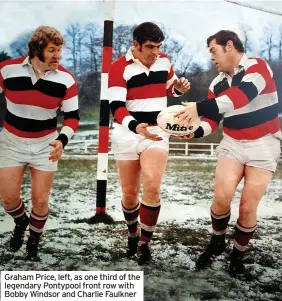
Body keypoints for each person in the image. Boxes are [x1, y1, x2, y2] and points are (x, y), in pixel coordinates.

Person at [175, 30, 282, 276]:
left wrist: (196, 107)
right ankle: (217, 241)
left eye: (214, 50)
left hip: (264, 144)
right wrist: (196, 132)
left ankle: (237, 255)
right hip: (232, 142)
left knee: (247, 207)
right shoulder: (216, 83)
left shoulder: (258, 67)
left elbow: (241, 97)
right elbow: (213, 119)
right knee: (221, 199)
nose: (211, 57)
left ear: (229, 45)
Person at [108, 22, 191, 265]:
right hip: (127, 133)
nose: (156, 52)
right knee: (130, 194)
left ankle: (145, 242)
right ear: (135, 45)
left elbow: (169, 90)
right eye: (150, 47)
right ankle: (132, 234)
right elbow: (116, 107)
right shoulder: (118, 67)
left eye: (159, 46)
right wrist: (136, 126)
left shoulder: (164, 62)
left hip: (156, 132)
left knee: (152, 185)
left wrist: (178, 89)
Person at [0, 26, 80, 260]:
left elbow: (73, 117)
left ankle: (33, 243)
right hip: (12, 141)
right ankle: (21, 221)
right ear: (36, 50)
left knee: (41, 199)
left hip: (45, 143)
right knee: (8, 198)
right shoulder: (8, 70)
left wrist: (61, 140)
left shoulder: (66, 79)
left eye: (60, 50)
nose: (58, 55)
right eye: (52, 50)